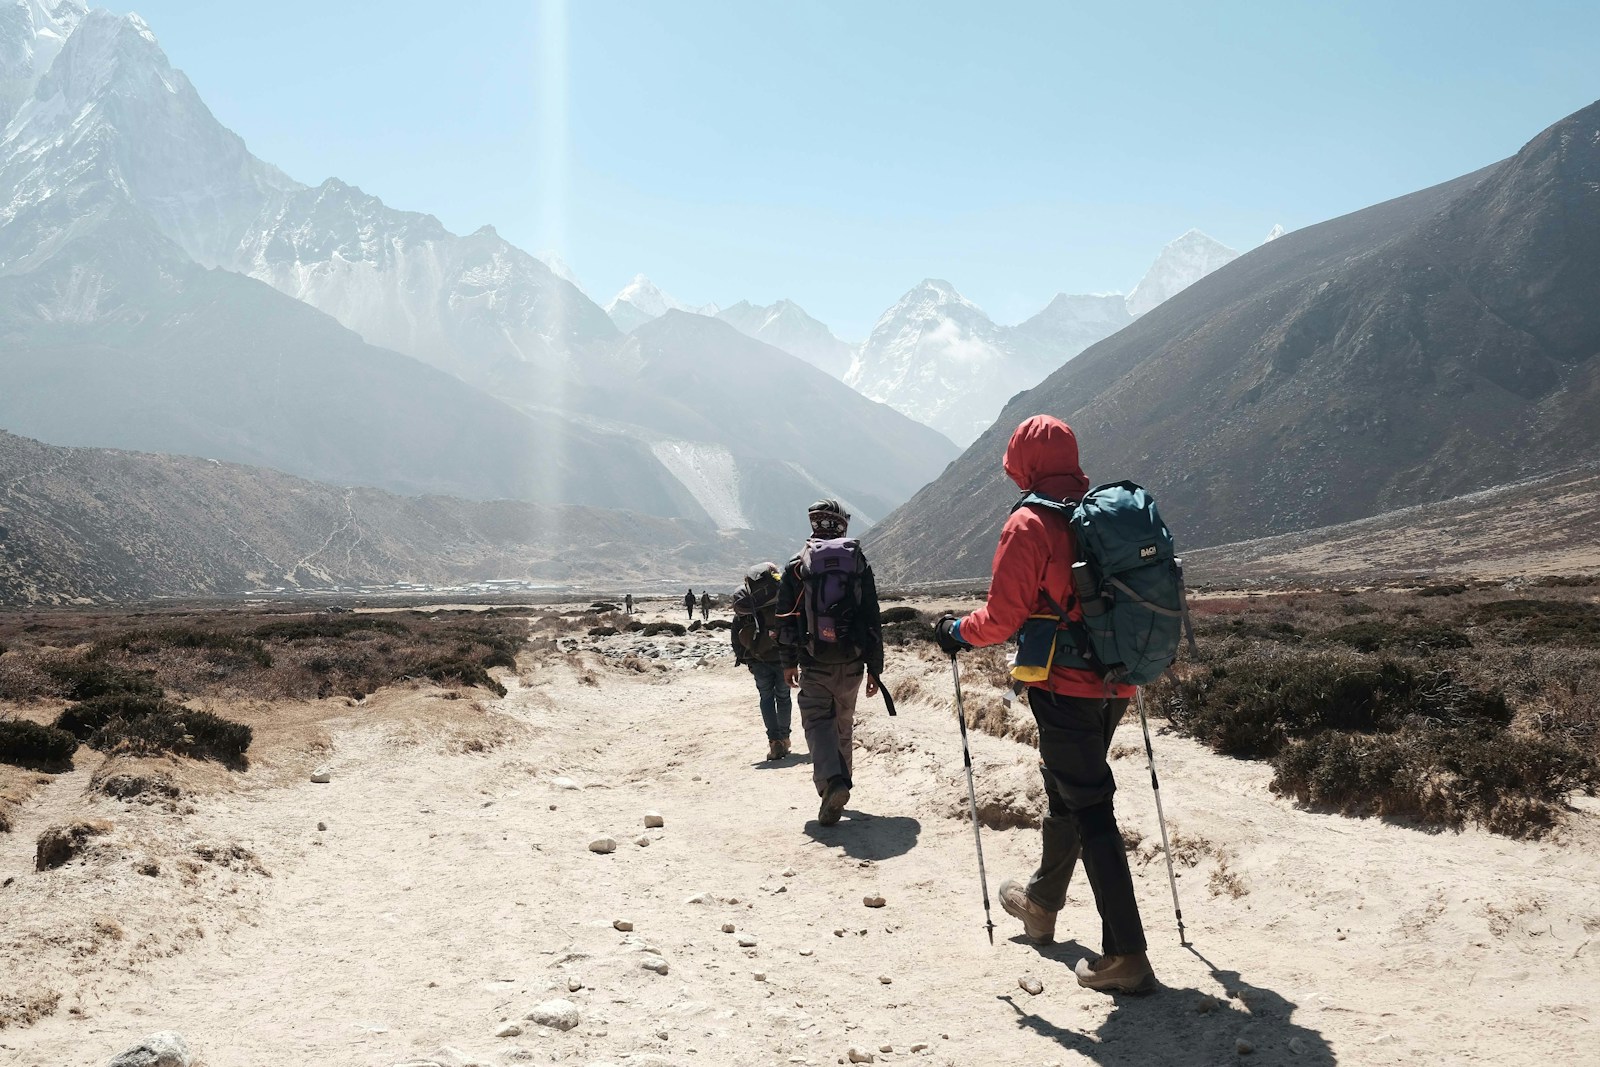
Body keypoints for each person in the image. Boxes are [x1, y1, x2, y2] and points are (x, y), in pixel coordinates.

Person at [934, 414, 1154, 995]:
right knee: (1070, 790)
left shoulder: (1030, 523)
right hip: (1118, 681)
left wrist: (955, 631)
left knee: (1090, 807)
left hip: (1063, 685)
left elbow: (1002, 619)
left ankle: (1125, 954)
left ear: (1023, 463)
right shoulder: (1102, 515)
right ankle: (1042, 902)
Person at [776, 499, 884, 827]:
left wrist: (788, 661)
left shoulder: (799, 565)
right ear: (842, 525)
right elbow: (871, 616)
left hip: (814, 660)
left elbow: (785, 617)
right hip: (852, 662)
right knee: (843, 724)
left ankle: (831, 784)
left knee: (817, 722)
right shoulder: (857, 563)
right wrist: (875, 668)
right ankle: (843, 782)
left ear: (815, 524)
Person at [731, 562, 792, 761]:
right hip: (783, 656)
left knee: (766, 698)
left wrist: (743, 657)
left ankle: (774, 743)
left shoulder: (748, 601)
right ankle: (785, 738)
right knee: (783, 697)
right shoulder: (781, 596)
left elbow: (736, 632)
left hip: (757, 658)